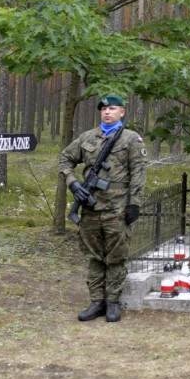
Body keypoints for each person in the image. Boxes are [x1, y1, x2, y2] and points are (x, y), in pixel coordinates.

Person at [59, 95, 148, 323]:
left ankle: (113, 303)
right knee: (94, 256)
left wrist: (134, 203)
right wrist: (73, 183)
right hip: (90, 208)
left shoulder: (130, 140)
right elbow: (65, 159)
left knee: (116, 258)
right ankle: (96, 302)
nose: (107, 112)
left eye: (112, 108)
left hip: (117, 209)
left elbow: (138, 173)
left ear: (121, 112)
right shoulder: (87, 137)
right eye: (104, 109)